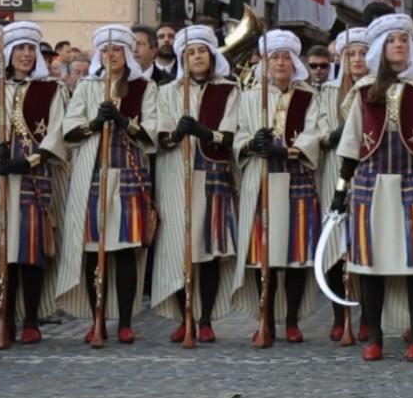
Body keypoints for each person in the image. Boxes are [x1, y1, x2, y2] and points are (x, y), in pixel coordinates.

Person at [331, 15, 413, 361]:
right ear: (381, 48)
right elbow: (351, 142)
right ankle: (376, 336)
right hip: (371, 184)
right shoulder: (364, 91)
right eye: (392, 39)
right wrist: (341, 191)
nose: (399, 44)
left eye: (404, 39)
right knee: (370, 262)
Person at [0, 22, 69, 344]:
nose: (25, 54)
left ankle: (31, 319)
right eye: (19, 48)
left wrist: (28, 160)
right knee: (3, 253)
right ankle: (5, 319)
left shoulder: (52, 90)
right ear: (8, 53)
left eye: (31, 49)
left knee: (31, 251)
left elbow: (57, 134)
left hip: (33, 179)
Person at [57, 25, 158, 345]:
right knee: (92, 250)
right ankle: (96, 316)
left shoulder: (143, 87)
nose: (111, 55)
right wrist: (94, 124)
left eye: (116, 50)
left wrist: (123, 121)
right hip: (93, 174)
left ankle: (126, 321)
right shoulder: (88, 87)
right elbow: (69, 128)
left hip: (128, 173)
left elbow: (152, 131)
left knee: (125, 249)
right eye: (105, 50)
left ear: (126, 53)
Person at [230, 30, 323, 346]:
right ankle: (265, 319)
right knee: (263, 254)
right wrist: (250, 143)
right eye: (275, 57)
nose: (280, 62)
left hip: (295, 176)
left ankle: (293, 319)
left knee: (295, 253)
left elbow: (316, 131)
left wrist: (289, 150)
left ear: (294, 61)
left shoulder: (309, 97)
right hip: (262, 179)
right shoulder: (248, 97)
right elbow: (238, 132)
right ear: (265, 62)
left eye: (286, 57)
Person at [151, 25, 240, 343]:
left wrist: (203, 131)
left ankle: (205, 319)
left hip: (213, 173)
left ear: (212, 55)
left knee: (209, 248)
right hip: (177, 174)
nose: (197, 57)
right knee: (179, 247)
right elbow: (160, 134)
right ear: (182, 58)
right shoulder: (168, 92)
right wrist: (176, 134)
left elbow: (230, 134)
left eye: (202, 51)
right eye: (190, 53)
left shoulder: (229, 90)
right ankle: (182, 315)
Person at [316, 27, 370, 341]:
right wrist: (331, 135)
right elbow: (319, 128)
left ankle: (365, 313)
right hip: (333, 169)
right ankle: (340, 314)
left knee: (362, 244)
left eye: (363, 53)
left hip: (366, 170)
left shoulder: (378, 89)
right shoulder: (326, 92)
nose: (358, 59)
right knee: (336, 245)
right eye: (352, 54)